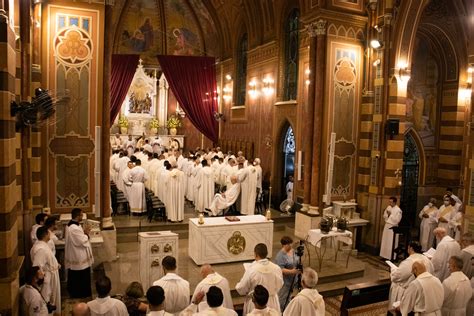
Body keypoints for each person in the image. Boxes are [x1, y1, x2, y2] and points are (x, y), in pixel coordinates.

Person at [236, 243, 283, 315]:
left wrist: (238, 286)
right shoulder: (276, 268)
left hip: (256, 304)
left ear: (255, 254)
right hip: (272, 301)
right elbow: (280, 284)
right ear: (266, 254)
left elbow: (242, 288)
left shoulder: (252, 270)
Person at [387, 241, 433, 311]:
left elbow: (397, 277)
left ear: (410, 248)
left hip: (408, 292)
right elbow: (431, 271)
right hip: (423, 290)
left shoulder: (409, 261)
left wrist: (393, 270)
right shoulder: (427, 259)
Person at [30, 226, 61, 315]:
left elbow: (46, 261)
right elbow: (37, 266)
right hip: (48, 279)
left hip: (51, 274)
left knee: (52, 299)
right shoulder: (41, 249)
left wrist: (55, 265)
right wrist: (46, 280)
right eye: (49, 232)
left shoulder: (41, 245)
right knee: (49, 299)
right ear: (46, 234)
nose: (50, 234)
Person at [65, 208, 93, 298]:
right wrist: (87, 233)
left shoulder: (74, 225)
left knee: (78, 275)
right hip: (78, 255)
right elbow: (82, 241)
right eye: (81, 215)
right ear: (77, 216)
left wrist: (84, 232)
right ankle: (80, 293)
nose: (82, 216)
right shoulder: (74, 228)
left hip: (77, 253)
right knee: (80, 276)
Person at [274, 236, 300, 311]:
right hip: (285, 282)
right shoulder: (280, 256)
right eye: (289, 244)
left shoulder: (293, 251)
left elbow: (297, 259)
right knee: (283, 299)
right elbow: (280, 269)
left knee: (290, 297)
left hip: (294, 279)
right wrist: (292, 271)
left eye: (291, 244)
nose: (291, 246)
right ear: (284, 245)